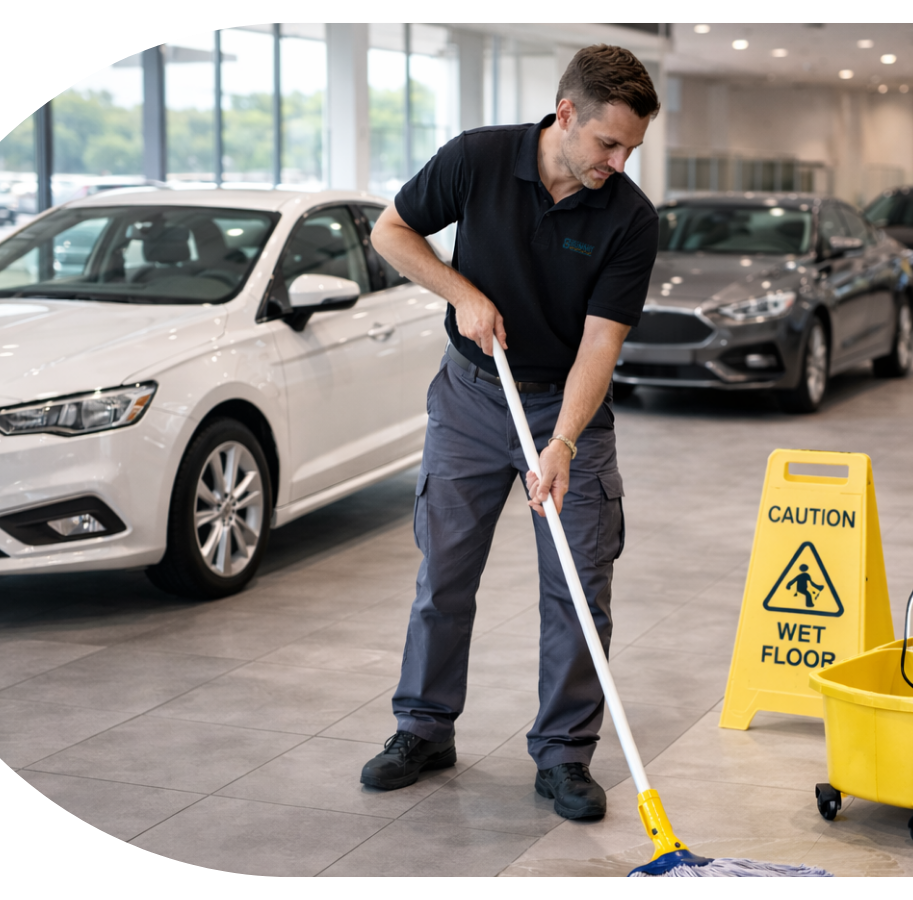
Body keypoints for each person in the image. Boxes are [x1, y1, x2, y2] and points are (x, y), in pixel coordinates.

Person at [359, 45, 660, 821]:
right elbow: (391, 232)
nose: (619, 162)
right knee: (445, 573)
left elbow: (602, 343)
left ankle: (563, 755)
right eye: (608, 143)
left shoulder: (629, 217)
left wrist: (561, 443)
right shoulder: (477, 160)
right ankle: (422, 729)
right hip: (469, 397)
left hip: (568, 411)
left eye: (631, 148)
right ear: (566, 115)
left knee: (578, 587)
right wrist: (461, 293)